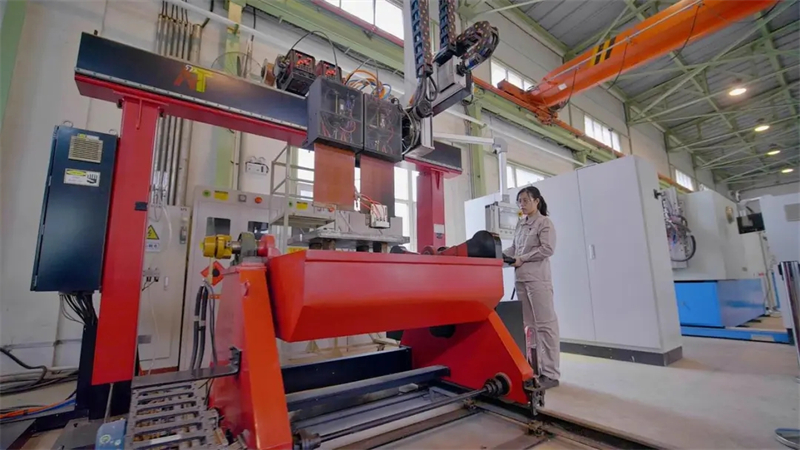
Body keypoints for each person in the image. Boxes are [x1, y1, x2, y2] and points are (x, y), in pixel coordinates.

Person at [503, 186, 560, 387]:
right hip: (521, 280)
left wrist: (522, 258)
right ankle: (535, 369)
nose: (522, 204)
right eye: (519, 201)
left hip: (538, 281)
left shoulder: (544, 223)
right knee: (528, 326)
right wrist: (497, 255)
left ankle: (551, 374)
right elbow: (514, 248)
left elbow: (547, 249)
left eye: (525, 200)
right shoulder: (521, 225)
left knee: (545, 325)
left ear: (537, 201)